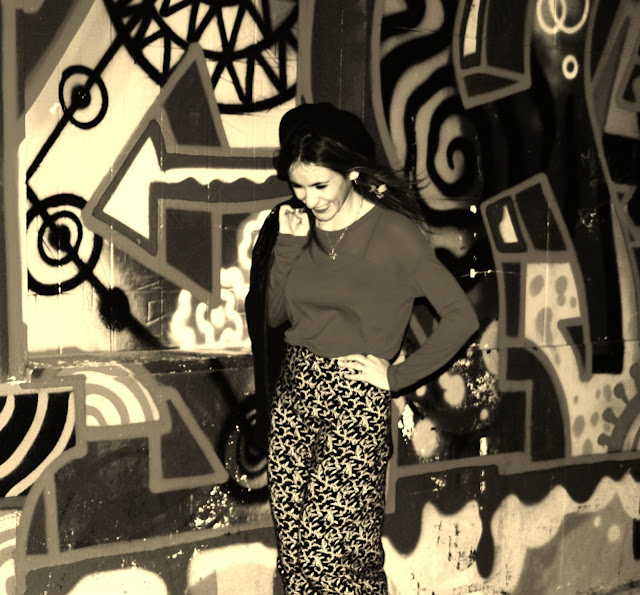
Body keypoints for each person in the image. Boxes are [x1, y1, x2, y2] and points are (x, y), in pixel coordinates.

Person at [245, 102, 479, 593]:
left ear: (351, 172)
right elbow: (273, 316)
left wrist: (394, 377)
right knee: (304, 557)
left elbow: (461, 317)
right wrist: (287, 247)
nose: (308, 199)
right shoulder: (296, 228)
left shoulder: (394, 234)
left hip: (353, 400)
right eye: (298, 186)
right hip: (294, 396)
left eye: (320, 185)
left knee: (323, 557)